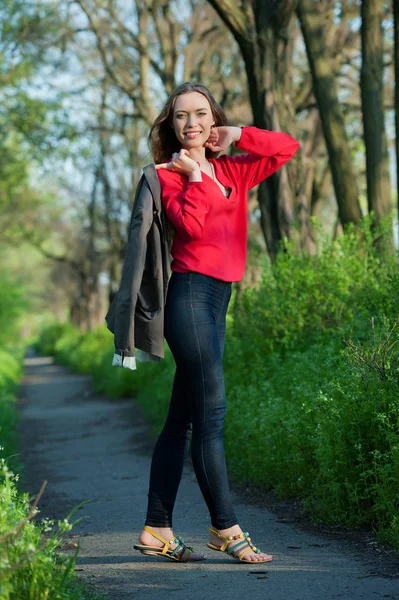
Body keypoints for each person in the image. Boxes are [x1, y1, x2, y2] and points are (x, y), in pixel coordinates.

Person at [133, 82, 300, 563]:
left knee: (182, 420)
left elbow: (286, 147)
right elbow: (193, 227)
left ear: (212, 120)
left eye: (201, 114)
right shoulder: (167, 175)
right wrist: (194, 176)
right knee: (212, 414)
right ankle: (226, 528)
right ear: (171, 125)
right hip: (188, 299)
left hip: (217, 302)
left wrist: (238, 133)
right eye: (182, 115)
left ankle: (156, 529)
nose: (192, 123)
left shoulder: (233, 167)